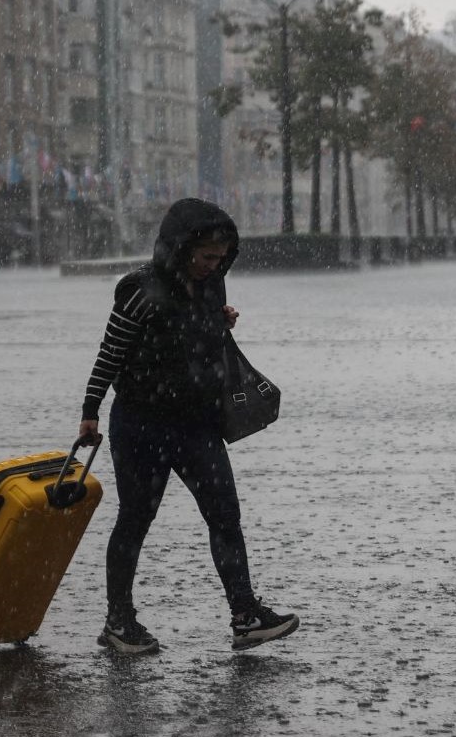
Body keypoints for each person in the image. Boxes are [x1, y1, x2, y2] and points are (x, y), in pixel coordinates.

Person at [79, 197, 299, 654]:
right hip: (142, 424)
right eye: (205, 258)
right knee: (135, 520)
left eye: (221, 259)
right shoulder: (139, 291)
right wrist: (89, 412)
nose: (212, 266)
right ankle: (119, 622)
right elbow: (110, 354)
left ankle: (245, 616)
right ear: (179, 249)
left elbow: (196, 339)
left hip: (197, 423)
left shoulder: (212, 286)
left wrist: (219, 322)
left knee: (225, 517)